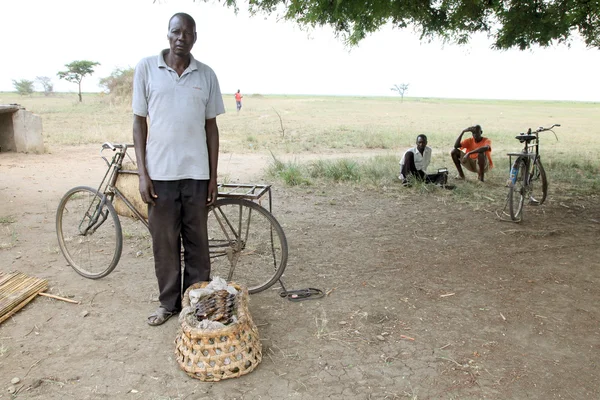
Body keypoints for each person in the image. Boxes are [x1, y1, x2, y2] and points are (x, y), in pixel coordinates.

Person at [132, 12, 225, 326]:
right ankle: (168, 304)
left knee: (197, 243)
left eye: (187, 33)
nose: (181, 37)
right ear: (167, 35)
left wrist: (213, 176)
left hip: (197, 175)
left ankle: (195, 303)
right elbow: (138, 123)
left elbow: (211, 128)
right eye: (176, 32)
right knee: (165, 242)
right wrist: (143, 174)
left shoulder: (206, 75)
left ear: (195, 37)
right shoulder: (147, 68)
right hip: (160, 175)